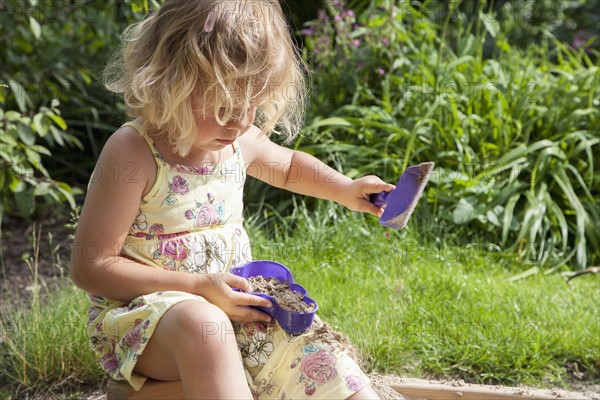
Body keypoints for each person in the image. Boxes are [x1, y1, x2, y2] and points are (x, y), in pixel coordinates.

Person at [71, 1, 394, 398]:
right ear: (170, 80)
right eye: (225, 105)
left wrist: (344, 187)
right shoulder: (134, 152)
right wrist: (197, 286)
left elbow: (290, 166)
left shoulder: (238, 141)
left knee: (317, 352)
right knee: (203, 325)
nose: (241, 121)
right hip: (147, 323)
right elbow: (92, 266)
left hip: (234, 307)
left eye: (253, 104)